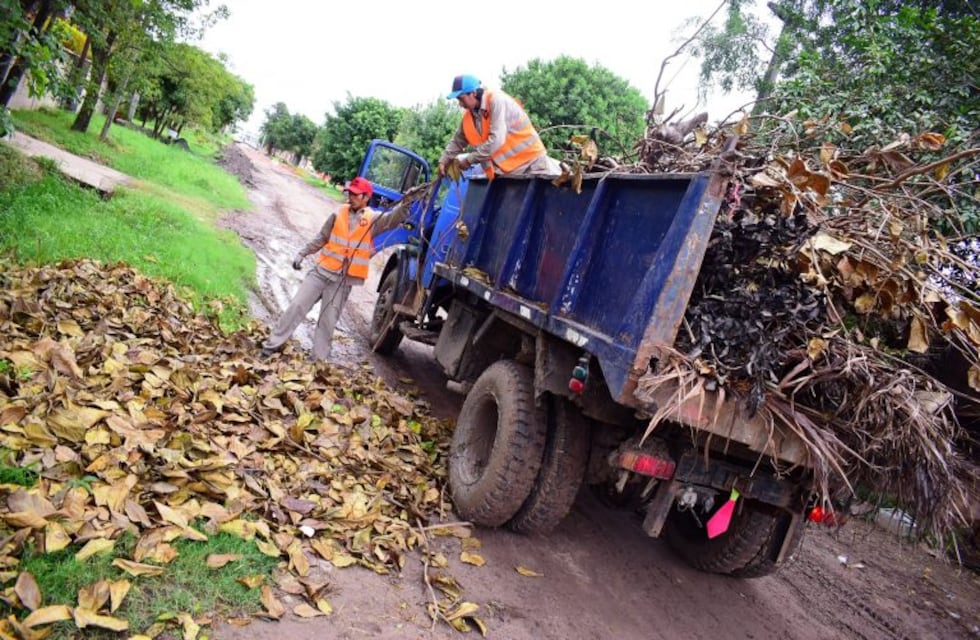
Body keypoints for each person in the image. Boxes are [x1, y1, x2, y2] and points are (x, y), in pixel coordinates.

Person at [260, 176, 410, 361]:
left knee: (327, 323)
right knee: (296, 307)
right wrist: (303, 253)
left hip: (341, 281)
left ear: (366, 197)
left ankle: (318, 362)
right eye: (350, 193)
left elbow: (393, 219)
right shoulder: (338, 213)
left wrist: (406, 204)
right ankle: (270, 347)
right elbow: (321, 237)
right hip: (321, 272)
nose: (351, 197)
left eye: (356, 195)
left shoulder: (373, 220)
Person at [439, 74, 562, 179]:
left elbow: (496, 141)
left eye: (461, 99)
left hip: (532, 164)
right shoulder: (469, 117)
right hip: (509, 173)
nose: (460, 104)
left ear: (473, 93)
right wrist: (444, 160)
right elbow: (458, 140)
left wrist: (469, 160)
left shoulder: (496, 101)